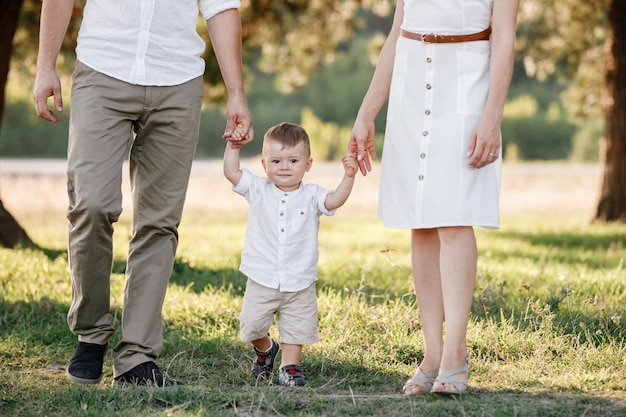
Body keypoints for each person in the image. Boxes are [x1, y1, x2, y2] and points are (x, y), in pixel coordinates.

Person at [32, 0, 252, 387]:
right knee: (91, 204)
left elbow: (221, 8)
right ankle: (91, 333)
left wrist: (236, 93)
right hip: (103, 70)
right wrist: (45, 66)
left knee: (159, 222)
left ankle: (136, 356)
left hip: (177, 80)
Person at [349, 0, 519, 395]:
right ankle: (431, 355)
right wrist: (366, 113)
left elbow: (505, 38)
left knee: (455, 218)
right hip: (412, 82)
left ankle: (455, 356)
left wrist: (492, 117)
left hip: (466, 84)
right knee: (420, 222)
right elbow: (396, 32)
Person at [223, 122, 358, 386]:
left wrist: (349, 176)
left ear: (308, 164)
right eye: (276, 160)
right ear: (264, 164)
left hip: (299, 279)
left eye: (293, 160)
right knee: (251, 324)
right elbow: (231, 171)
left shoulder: (311, 195)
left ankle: (289, 366)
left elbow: (334, 200)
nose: (284, 166)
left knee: (296, 327)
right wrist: (233, 146)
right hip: (262, 277)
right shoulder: (258, 189)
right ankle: (265, 349)